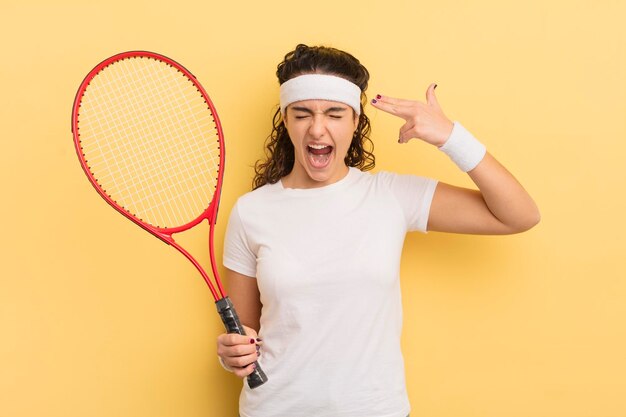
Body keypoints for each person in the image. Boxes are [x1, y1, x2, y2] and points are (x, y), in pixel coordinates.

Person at [216, 44, 540, 417]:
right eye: (302, 113)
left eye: (335, 114)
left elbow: (519, 215)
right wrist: (232, 355)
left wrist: (450, 137)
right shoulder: (251, 212)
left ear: (355, 121)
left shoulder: (390, 196)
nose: (317, 128)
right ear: (286, 121)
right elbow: (246, 337)